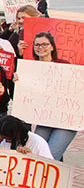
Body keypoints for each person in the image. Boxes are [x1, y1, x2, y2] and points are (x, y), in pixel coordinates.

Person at [24, 32, 74, 161]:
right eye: (37, 45)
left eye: (45, 44)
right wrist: (19, 81)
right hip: (45, 119)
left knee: (48, 159)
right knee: (36, 152)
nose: (40, 47)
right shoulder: (30, 68)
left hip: (66, 120)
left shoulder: (64, 65)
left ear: (52, 47)